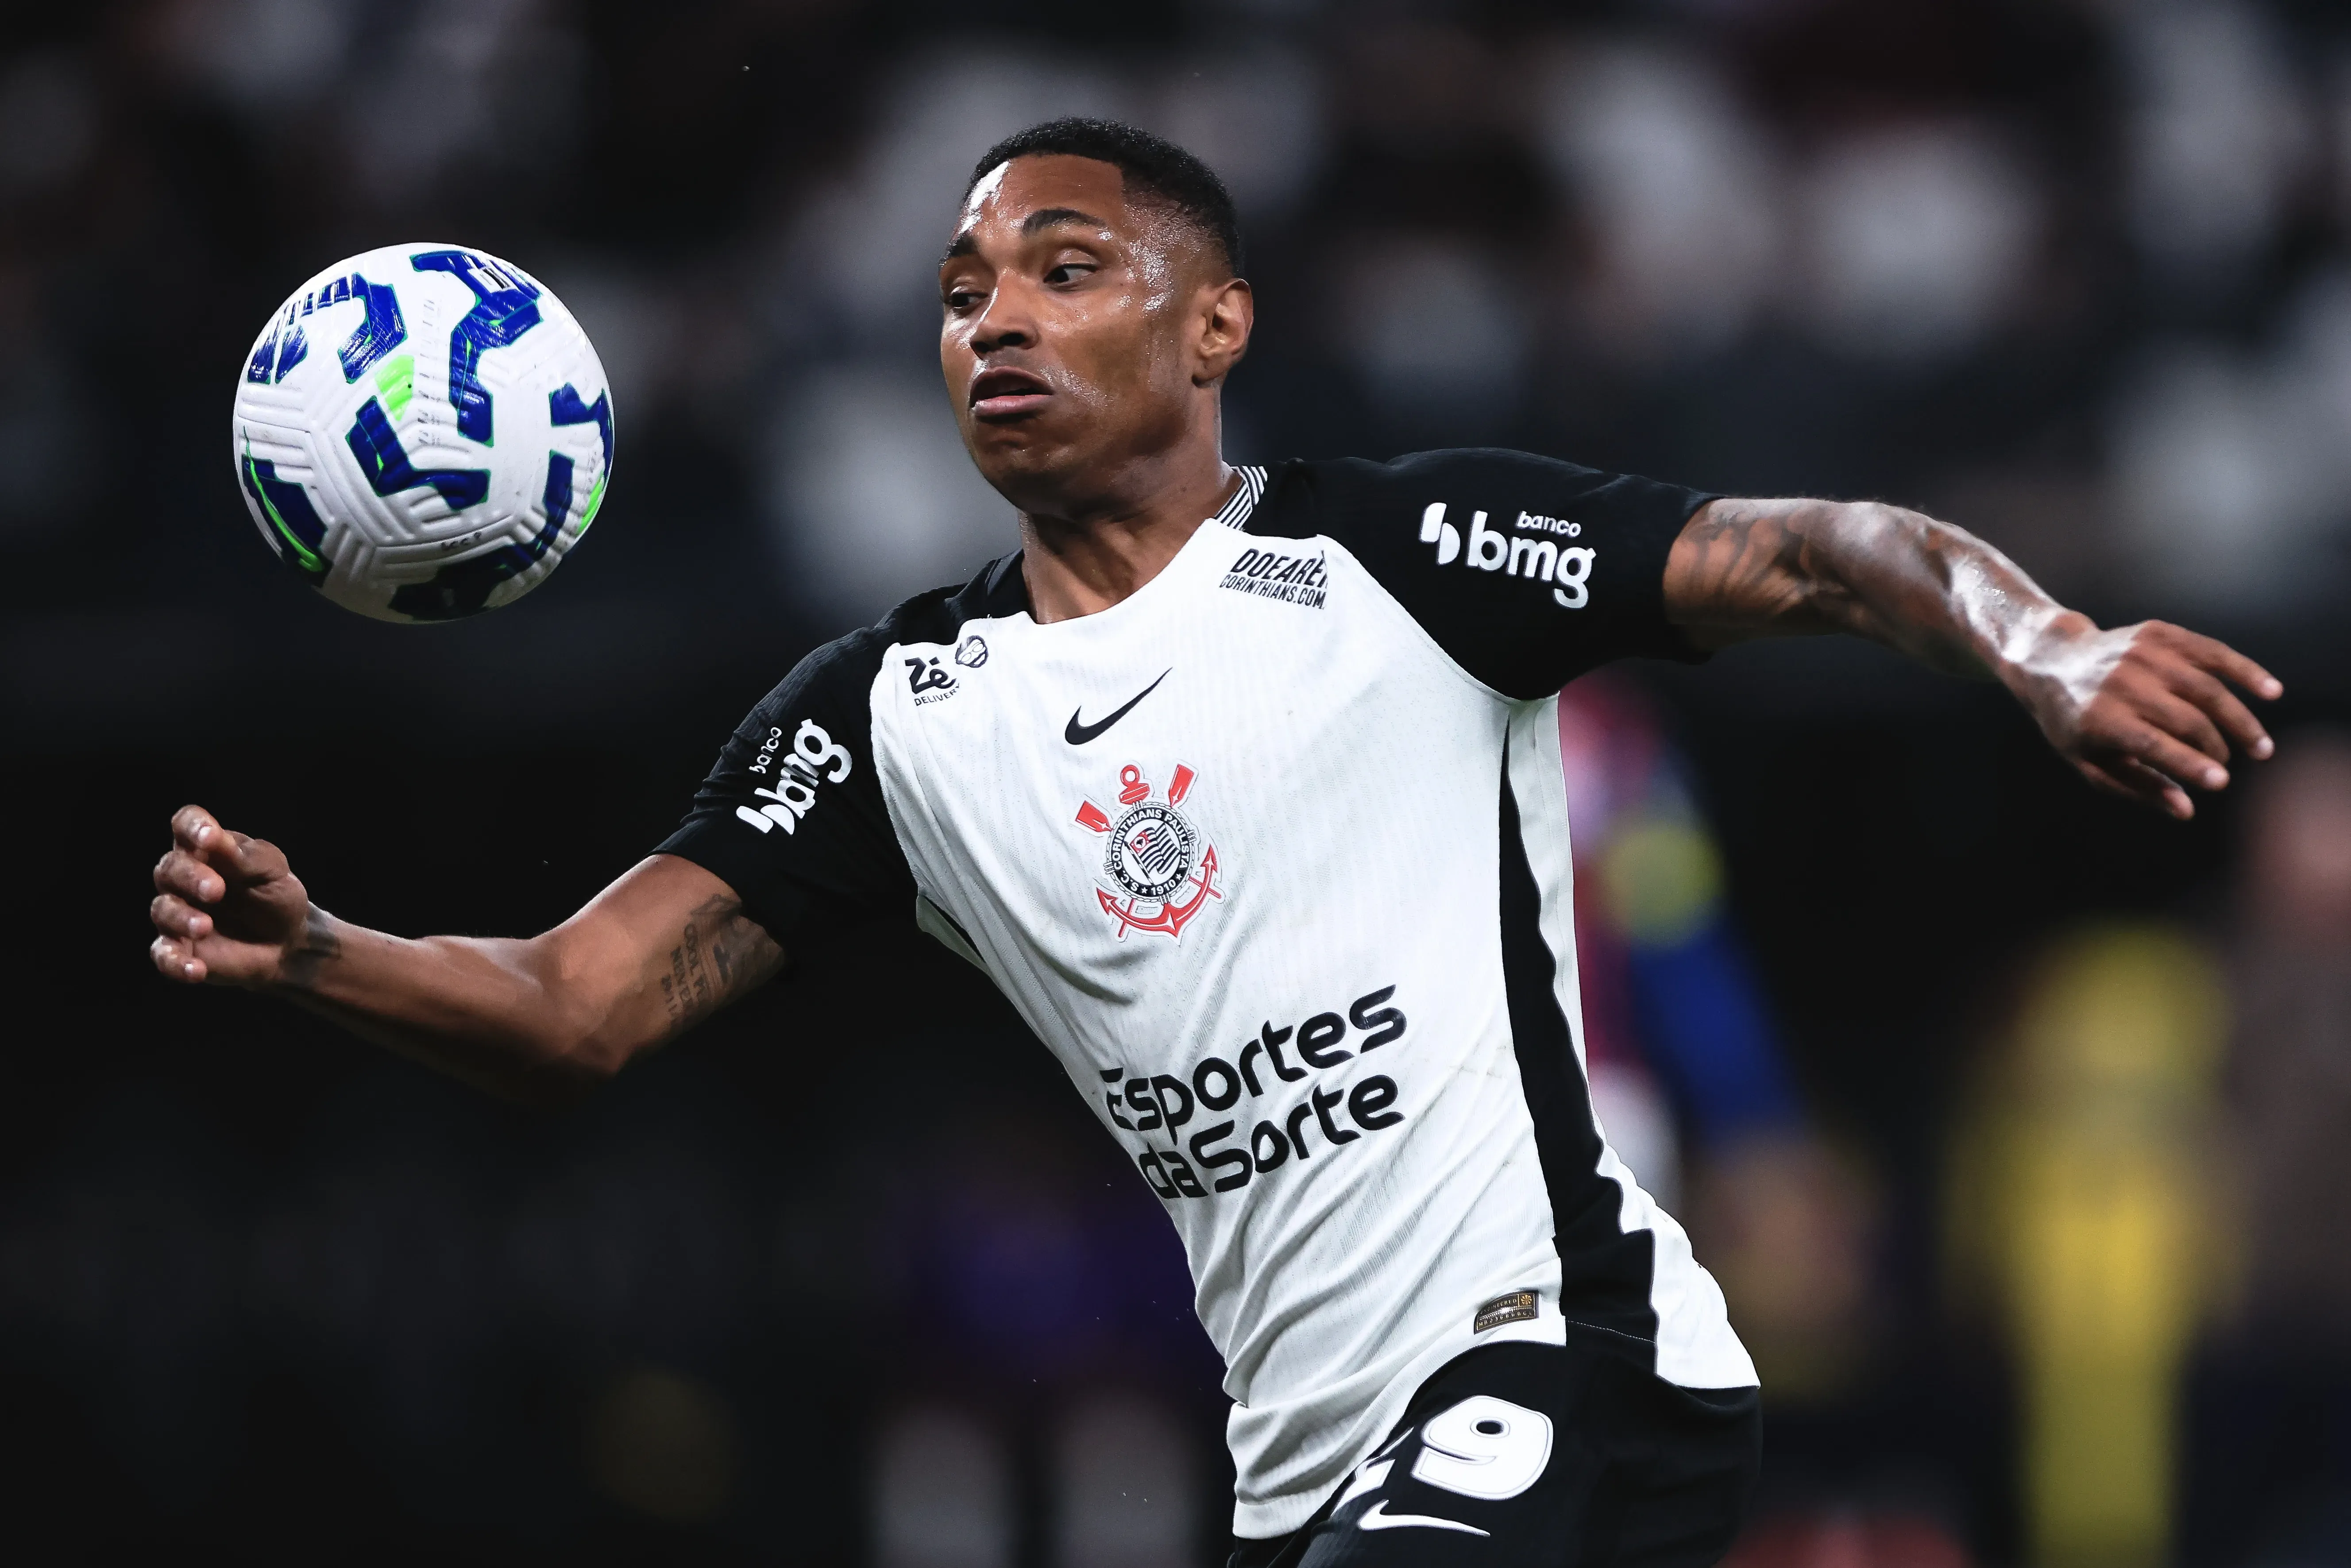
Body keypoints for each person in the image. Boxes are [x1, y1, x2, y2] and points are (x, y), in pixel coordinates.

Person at [147, 119, 2280, 1566]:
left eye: (1064, 271)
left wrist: (2048, 644)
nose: (994, 319)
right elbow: (574, 1007)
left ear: (1213, 328)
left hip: (1566, 1362)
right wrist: (323, 949)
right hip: (1306, 1470)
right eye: (962, 288)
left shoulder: (1402, 556)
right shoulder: (894, 715)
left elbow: (1814, 547)